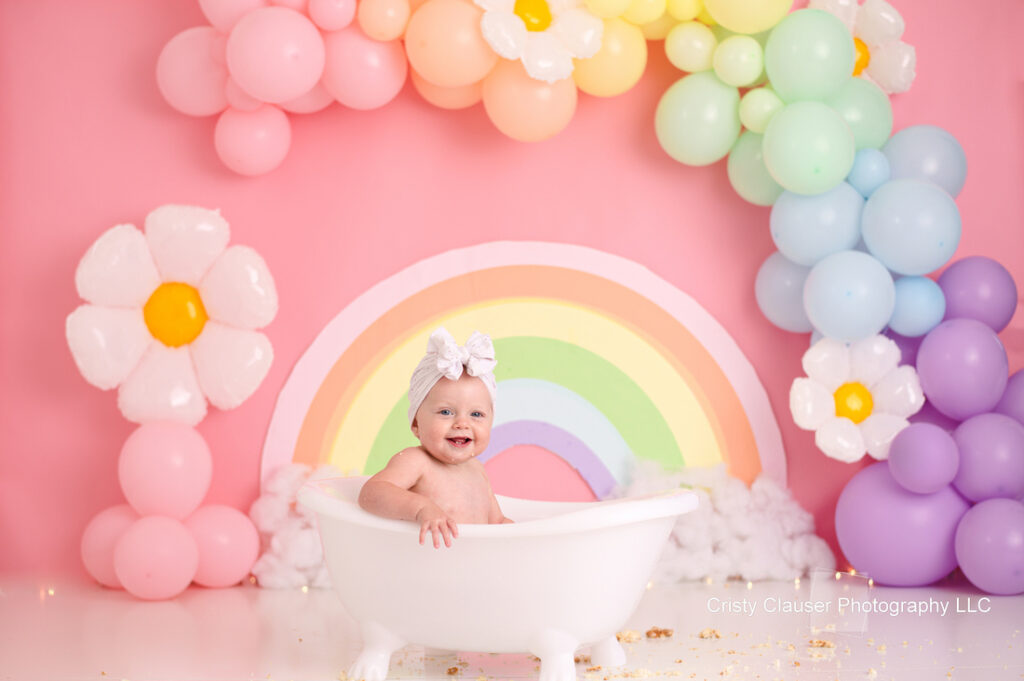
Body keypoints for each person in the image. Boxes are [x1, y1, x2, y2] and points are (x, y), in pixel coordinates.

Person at [358, 328, 513, 548]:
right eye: (446, 412)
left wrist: (523, 537)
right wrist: (421, 508)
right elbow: (371, 494)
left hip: (474, 569)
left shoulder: (478, 470)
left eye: (476, 414)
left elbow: (497, 522)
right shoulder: (416, 461)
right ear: (416, 424)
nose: (462, 423)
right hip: (429, 571)